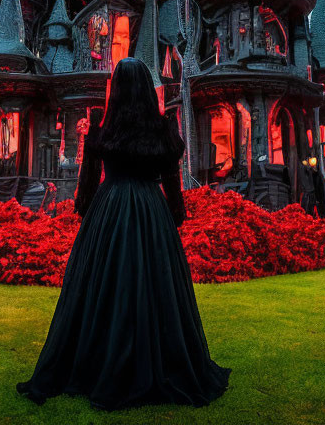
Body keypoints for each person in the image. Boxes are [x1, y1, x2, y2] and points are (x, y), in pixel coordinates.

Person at [16, 57, 231, 410]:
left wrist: (90, 216)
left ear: (116, 89)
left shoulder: (103, 129)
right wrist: (172, 218)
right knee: (156, 286)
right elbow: (172, 184)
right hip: (151, 210)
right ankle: (158, 360)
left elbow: (86, 184)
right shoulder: (162, 130)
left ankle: (97, 360)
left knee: (104, 285)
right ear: (148, 88)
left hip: (110, 209)